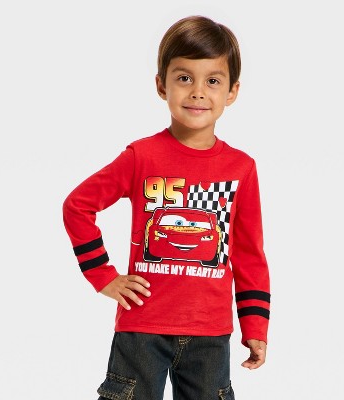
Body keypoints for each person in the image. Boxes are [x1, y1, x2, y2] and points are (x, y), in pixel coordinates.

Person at [63, 15, 271, 400]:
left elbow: (248, 254)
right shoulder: (141, 156)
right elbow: (77, 206)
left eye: (213, 80)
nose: (198, 92)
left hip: (210, 332)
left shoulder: (241, 168)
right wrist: (103, 276)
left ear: (232, 91)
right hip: (142, 326)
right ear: (162, 85)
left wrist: (255, 325)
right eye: (184, 77)